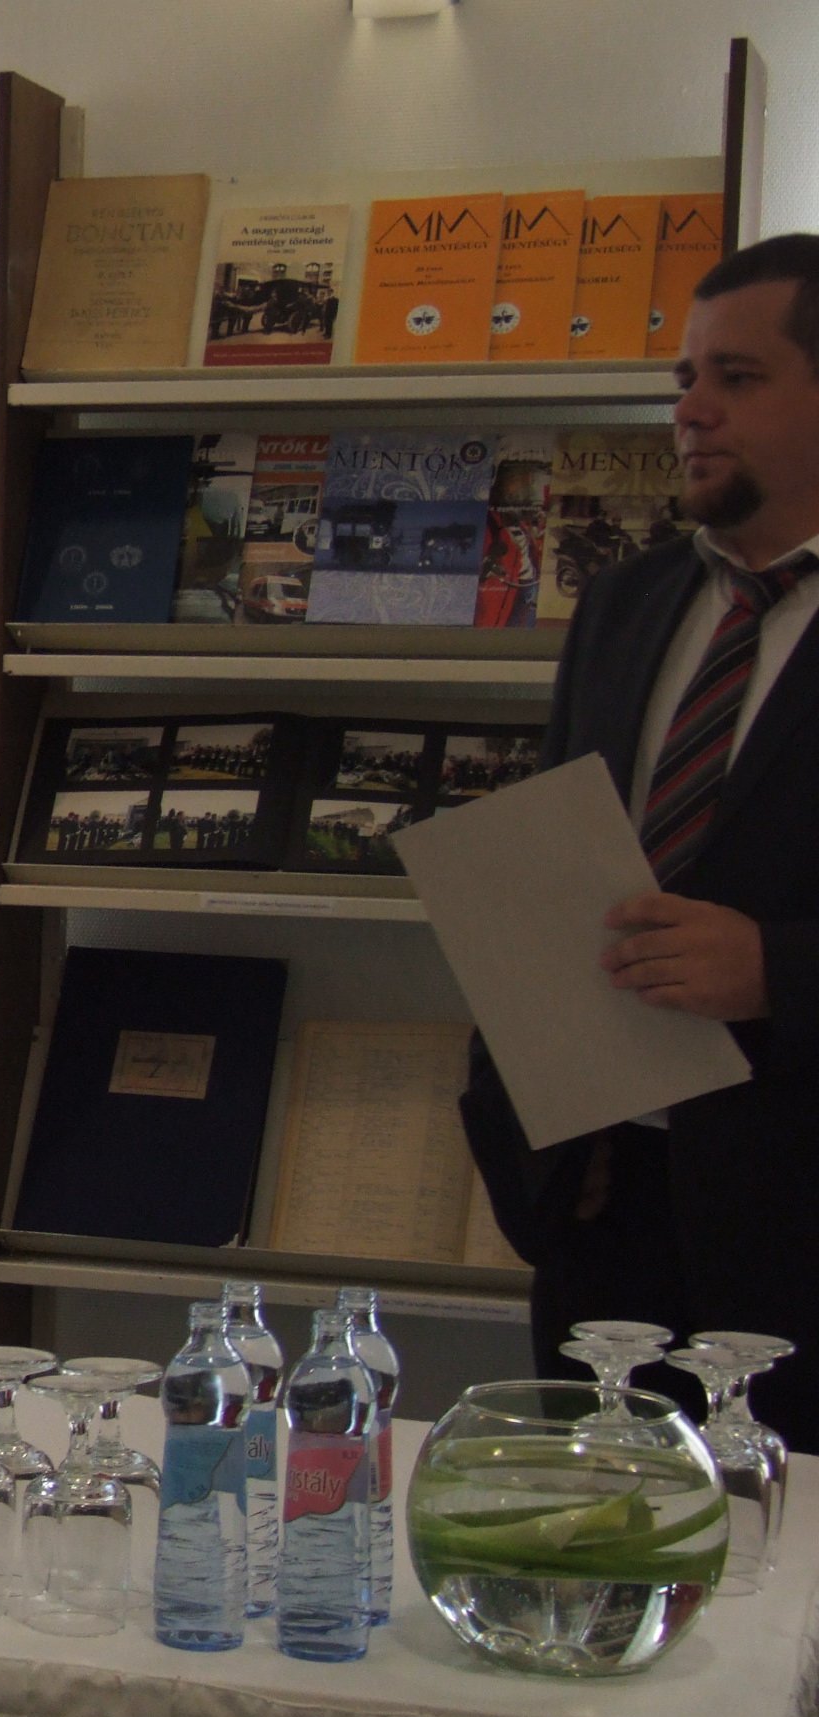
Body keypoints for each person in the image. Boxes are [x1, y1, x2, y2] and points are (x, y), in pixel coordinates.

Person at [461, 233, 819, 1450]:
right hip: (608, 1221)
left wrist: (777, 968)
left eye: (739, 378)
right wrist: (543, 1140)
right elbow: (557, 879)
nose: (693, 411)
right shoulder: (626, 602)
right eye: (684, 379)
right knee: (592, 1540)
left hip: (797, 1237)